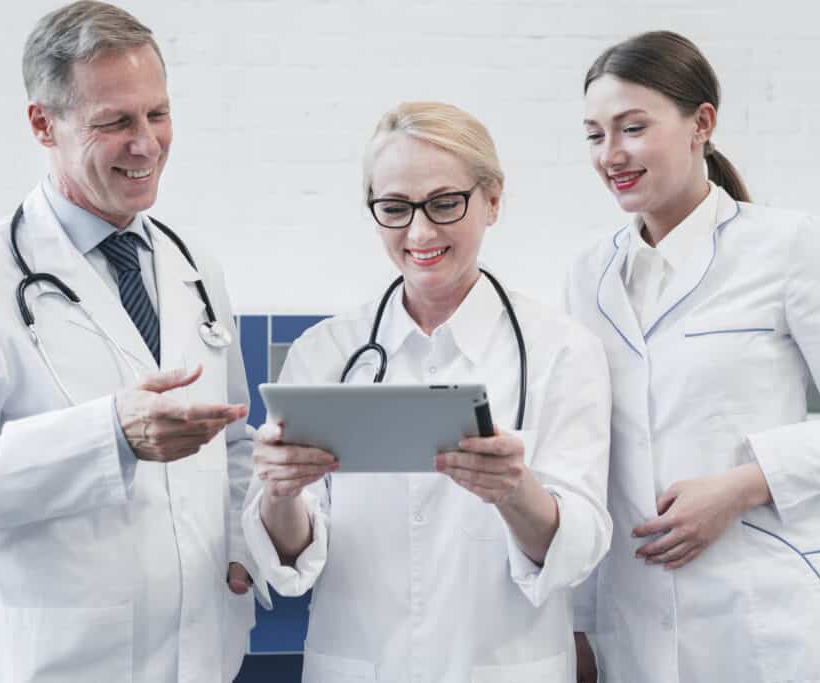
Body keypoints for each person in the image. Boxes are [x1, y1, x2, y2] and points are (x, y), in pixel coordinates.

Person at [0, 2, 257, 680]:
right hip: (58, 659)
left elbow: (232, 440)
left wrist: (243, 536)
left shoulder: (194, 266)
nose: (146, 142)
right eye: (115, 121)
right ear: (42, 122)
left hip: (200, 654)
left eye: (158, 113)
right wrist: (108, 434)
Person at [566, 30, 820, 683]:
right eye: (594, 134)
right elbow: (594, 459)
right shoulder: (589, 274)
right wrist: (582, 623)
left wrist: (741, 486)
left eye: (632, 127)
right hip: (634, 629)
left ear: (702, 123)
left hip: (773, 626)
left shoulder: (787, 247)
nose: (610, 154)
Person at [242, 101, 612, 682]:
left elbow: (578, 548)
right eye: (394, 208)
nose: (419, 232)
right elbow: (293, 554)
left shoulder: (562, 351)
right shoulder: (325, 354)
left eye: (444, 204)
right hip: (359, 665)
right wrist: (280, 493)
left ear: (492, 199)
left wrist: (515, 491)